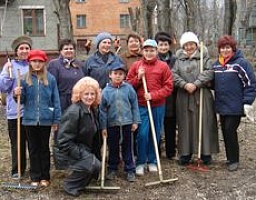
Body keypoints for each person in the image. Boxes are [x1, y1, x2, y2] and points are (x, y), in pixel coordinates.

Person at [13, 49, 61, 187]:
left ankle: (45, 176)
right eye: (34, 61)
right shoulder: (23, 78)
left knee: (44, 148)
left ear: (44, 62)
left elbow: (55, 100)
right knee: (33, 148)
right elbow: (21, 101)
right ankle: (35, 175)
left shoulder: (50, 79)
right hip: (29, 119)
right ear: (29, 62)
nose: (37, 64)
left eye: (40, 61)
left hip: (46, 119)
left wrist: (56, 119)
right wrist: (16, 94)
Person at [126, 39, 173, 176]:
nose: (149, 53)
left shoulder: (163, 66)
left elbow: (168, 87)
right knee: (142, 134)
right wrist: (138, 78)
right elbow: (128, 86)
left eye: (152, 50)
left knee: (155, 133)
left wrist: (153, 95)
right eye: (146, 50)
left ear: (156, 51)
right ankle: (141, 161)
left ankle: (152, 160)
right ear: (142, 51)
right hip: (141, 106)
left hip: (158, 106)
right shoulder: (136, 66)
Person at [172, 31, 219, 166]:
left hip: (201, 95)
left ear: (196, 45)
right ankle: (185, 153)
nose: (189, 47)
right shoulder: (178, 59)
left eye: (191, 44)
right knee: (185, 124)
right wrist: (185, 85)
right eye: (186, 45)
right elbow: (173, 75)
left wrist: (196, 84)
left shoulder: (204, 58)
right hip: (184, 96)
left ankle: (205, 153)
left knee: (204, 123)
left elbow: (209, 72)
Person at [212, 35, 256, 171]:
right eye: (222, 48)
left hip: (235, 105)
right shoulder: (217, 65)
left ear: (233, 48)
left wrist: (248, 101)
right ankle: (230, 158)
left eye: (227, 47)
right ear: (219, 50)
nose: (225, 50)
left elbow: (250, 83)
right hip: (222, 105)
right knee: (225, 131)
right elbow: (214, 83)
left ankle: (234, 160)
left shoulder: (240, 63)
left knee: (230, 130)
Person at [57, 77, 101, 197]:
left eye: (93, 94)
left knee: (96, 165)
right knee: (93, 164)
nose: (89, 97)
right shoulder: (74, 112)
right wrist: (83, 155)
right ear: (79, 95)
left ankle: (82, 181)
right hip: (68, 152)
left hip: (82, 148)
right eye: (86, 94)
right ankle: (70, 185)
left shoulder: (91, 109)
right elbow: (63, 142)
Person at [99, 62, 140, 182]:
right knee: (113, 147)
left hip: (127, 123)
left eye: (121, 74)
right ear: (110, 75)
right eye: (115, 73)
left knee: (127, 146)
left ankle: (130, 169)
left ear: (124, 76)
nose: (118, 76)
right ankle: (112, 168)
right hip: (112, 125)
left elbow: (134, 105)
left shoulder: (128, 88)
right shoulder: (106, 91)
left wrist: (135, 121)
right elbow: (102, 111)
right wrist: (103, 127)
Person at [47, 39, 84, 169]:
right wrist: (53, 107)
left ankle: (75, 160)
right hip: (61, 101)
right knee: (61, 132)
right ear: (60, 51)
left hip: (77, 102)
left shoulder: (79, 64)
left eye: (71, 48)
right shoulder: (54, 64)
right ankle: (61, 163)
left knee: (76, 130)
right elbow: (51, 86)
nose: (69, 51)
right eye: (66, 48)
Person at [0, 35, 32, 179]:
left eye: (27, 48)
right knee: (17, 142)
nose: (24, 51)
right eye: (21, 48)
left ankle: (35, 169)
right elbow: (3, 87)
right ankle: (17, 169)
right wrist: (8, 74)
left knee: (32, 142)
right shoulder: (10, 66)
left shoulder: (33, 64)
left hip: (31, 110)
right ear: (16, 51)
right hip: (15, 110)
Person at [119, 33, 143, 157]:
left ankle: (142, 151)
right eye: (131, 41)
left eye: (136, 41)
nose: (134, 43)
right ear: (127, 44)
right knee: (130, 125)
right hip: (129, 95)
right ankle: (130, 152)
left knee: (142, 126)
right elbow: (122, 77)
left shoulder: (145, 55)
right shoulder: (122, 58)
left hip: (144, 95)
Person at [155, 31, 177, 160]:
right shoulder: (153, 59)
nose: (163, 47)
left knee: (170, 125)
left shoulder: (174, 60)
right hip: (157, 97)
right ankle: (156, 151)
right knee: (158, 125)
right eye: (161, 45)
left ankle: (171, 152)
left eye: (166, 44)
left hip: (172, 97)